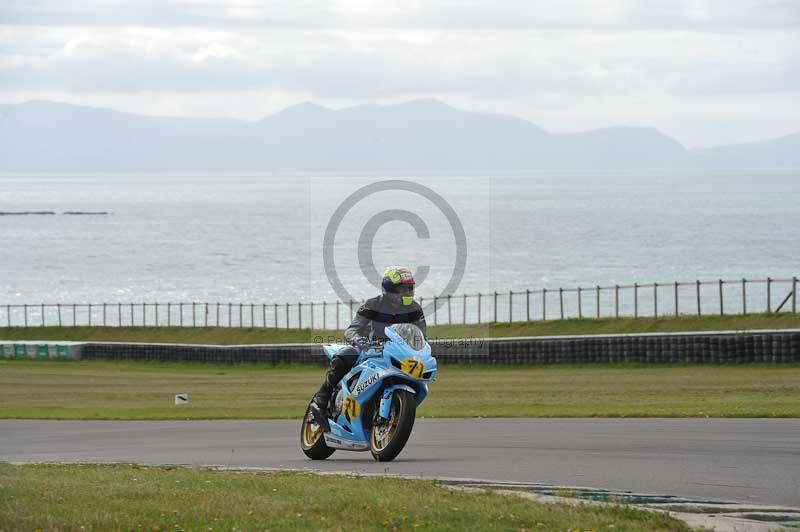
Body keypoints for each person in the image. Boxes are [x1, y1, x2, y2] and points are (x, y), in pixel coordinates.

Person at [310, 266, 427, 426]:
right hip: (370, 350)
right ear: (389, 288)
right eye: (401, 288)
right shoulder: (373, 304)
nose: (406, 292)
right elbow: (352, 330)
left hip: (397, 353)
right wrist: (359, 340)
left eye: (409, 288)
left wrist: (422, 350)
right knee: (347, 355)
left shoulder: (415, 309)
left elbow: (421, 336)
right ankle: (321, 398)